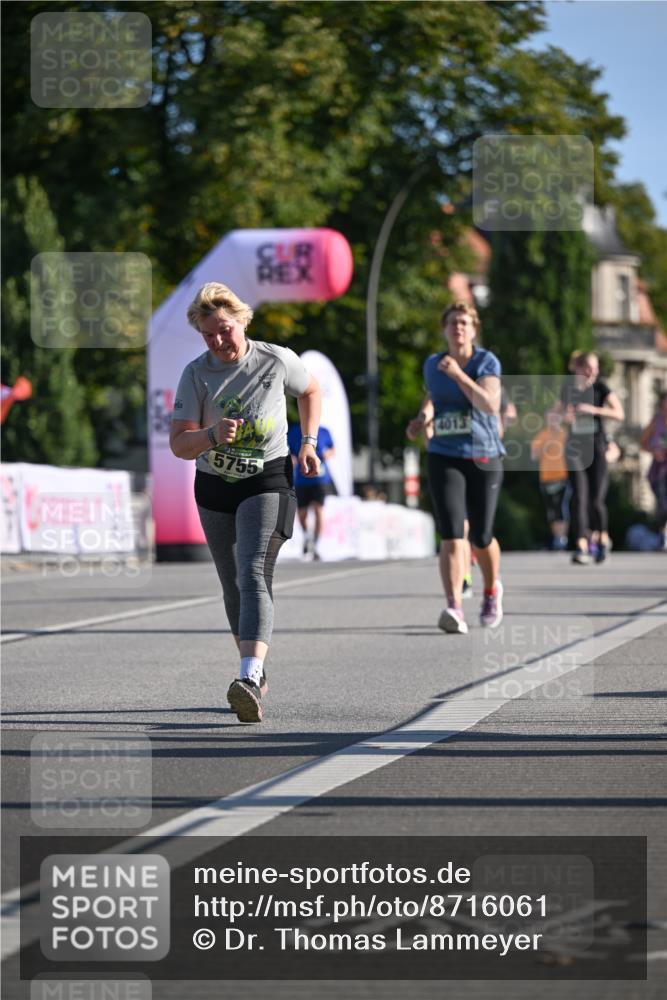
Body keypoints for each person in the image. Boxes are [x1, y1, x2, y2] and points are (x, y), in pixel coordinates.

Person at [169, 282, 321, 722]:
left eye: (225, 330)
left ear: (243, 321)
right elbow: (179, 444)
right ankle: (254, 667)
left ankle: (248, 676)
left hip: (266, 479)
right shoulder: (196, 374)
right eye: (208, 335)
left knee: (253, 569)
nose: (219, 341)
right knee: (232, 582)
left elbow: (310, 391)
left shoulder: (275, 359)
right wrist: (211, 435)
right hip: (214, 484)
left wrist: (308, 442)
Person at [406, 301, 505, 634]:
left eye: (464, 322)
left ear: (473, 329)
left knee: (481, 535)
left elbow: (489, 404)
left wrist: (459, 374)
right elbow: (433, 397)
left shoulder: (486, 362)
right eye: (452, 322)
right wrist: (422, 418)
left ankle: (491, 591)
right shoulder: (433, 364)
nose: (458, 327)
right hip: (443, 452)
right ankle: (454, 607)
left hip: (483, 454)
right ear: (444, 329)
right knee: (450, 532)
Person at [553, 351, 624, 564]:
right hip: (575, 449)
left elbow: (619, 414)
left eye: (595, 367)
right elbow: (553, 416)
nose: (593, 371)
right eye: (589, 367)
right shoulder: (568, 389)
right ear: (579, 368)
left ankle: (602, 538)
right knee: (578, 497)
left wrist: (594, 410)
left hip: (596, 447)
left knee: (596, 500)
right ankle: (581, 544)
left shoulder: (601, 388)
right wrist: (562, 417)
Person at [287, 423, 335, 559]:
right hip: (301, 479)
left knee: (318, 510)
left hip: (320, 479)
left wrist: (325, 454)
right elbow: (290, 452)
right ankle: (307, 536)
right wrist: (293, 460)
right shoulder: (294, 431)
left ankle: (316, 543)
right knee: (302, 513)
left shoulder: (324, 431)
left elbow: (333, 449)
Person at [531, 411, 570, 550]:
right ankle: (556, 537)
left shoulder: (566, 434)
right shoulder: (542, 435)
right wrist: (545, 446)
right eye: (550, 418)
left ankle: (562, 538)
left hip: (563, 476)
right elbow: (534, 456)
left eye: (555, 418)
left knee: (562, 507)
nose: (553, 421)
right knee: (552, 509)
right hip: (546, 477)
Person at [640, 391, 667, 549]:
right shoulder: (656, 421)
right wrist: (653, 451)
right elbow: (642, 443)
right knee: (663, 503)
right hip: (659, 470)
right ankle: (663, 534)